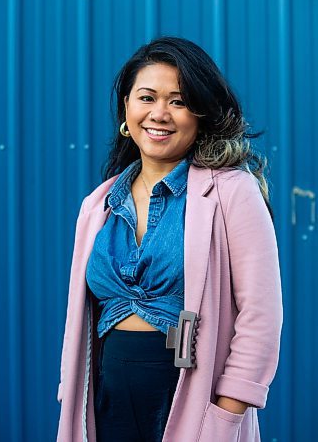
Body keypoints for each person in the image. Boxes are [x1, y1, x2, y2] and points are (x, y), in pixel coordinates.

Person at [56, 36, 283, 442]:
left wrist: (225, 415)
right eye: (146, 97)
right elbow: (80, 321)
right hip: (108, 404)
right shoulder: (98, 205)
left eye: (178, 101)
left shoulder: (232, 191)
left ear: (201, 113)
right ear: (126, 107)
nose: (159, 114)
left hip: (192, 409)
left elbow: (260, 317)